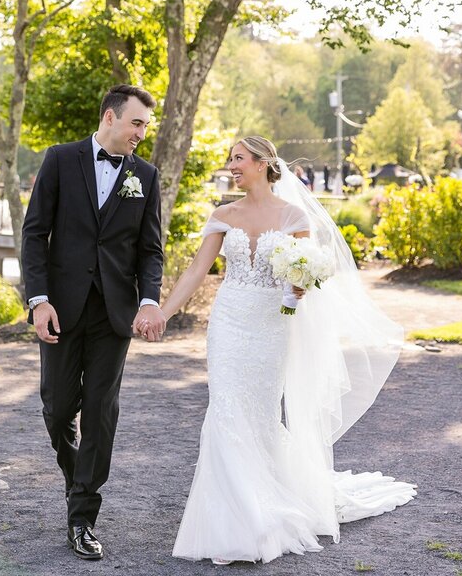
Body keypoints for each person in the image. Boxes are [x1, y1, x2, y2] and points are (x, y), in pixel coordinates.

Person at [155, 135, 415, 566]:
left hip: (271, 326)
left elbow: (303, 283)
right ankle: (238, 519)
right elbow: (196, 272)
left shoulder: (294, 215)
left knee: (258, 412)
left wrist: (297, 290)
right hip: (230, 322)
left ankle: (267, 502)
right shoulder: (222, 215)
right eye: (230, 160)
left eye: (238, 159)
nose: (231, 166)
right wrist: (163, 313)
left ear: (261, 164)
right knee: (225, 408)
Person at [21, 84, 165, 561]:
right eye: (136, 123)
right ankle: (77, 478)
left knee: (101, 411)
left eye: (146, 125)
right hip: (60, 308)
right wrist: (38, 301)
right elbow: (35, 232)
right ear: (110, 117)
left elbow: (149, 251)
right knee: (58, 409)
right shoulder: (61, 160)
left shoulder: (145, 175)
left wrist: (148, 302)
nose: (142, 133)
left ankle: (82, 516)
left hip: (113, 314)